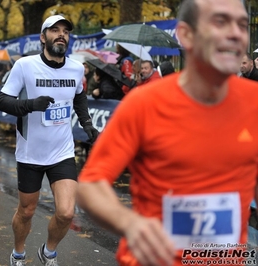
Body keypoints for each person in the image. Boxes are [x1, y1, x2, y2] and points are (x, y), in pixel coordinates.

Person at [77, 0, 258, 266]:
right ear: (186, 34)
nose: (235, 32)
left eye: (243, 25)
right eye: (220, 22)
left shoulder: (253, 102)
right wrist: (130, 223)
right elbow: (91, 185)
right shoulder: (144, 104)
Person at [0, 15, 99, 266]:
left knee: (66, 213)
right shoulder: (25, 66)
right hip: (30, 152)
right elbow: (2, 101)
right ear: (43, 37)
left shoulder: (75, 68)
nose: (61, 34)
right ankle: (18, 253)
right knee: (27, 211)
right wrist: (31, 105)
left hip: (61, 151)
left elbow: (79, 97)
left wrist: (87, 124)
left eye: (65, 31)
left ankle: (48, 252)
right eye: (55, 30)